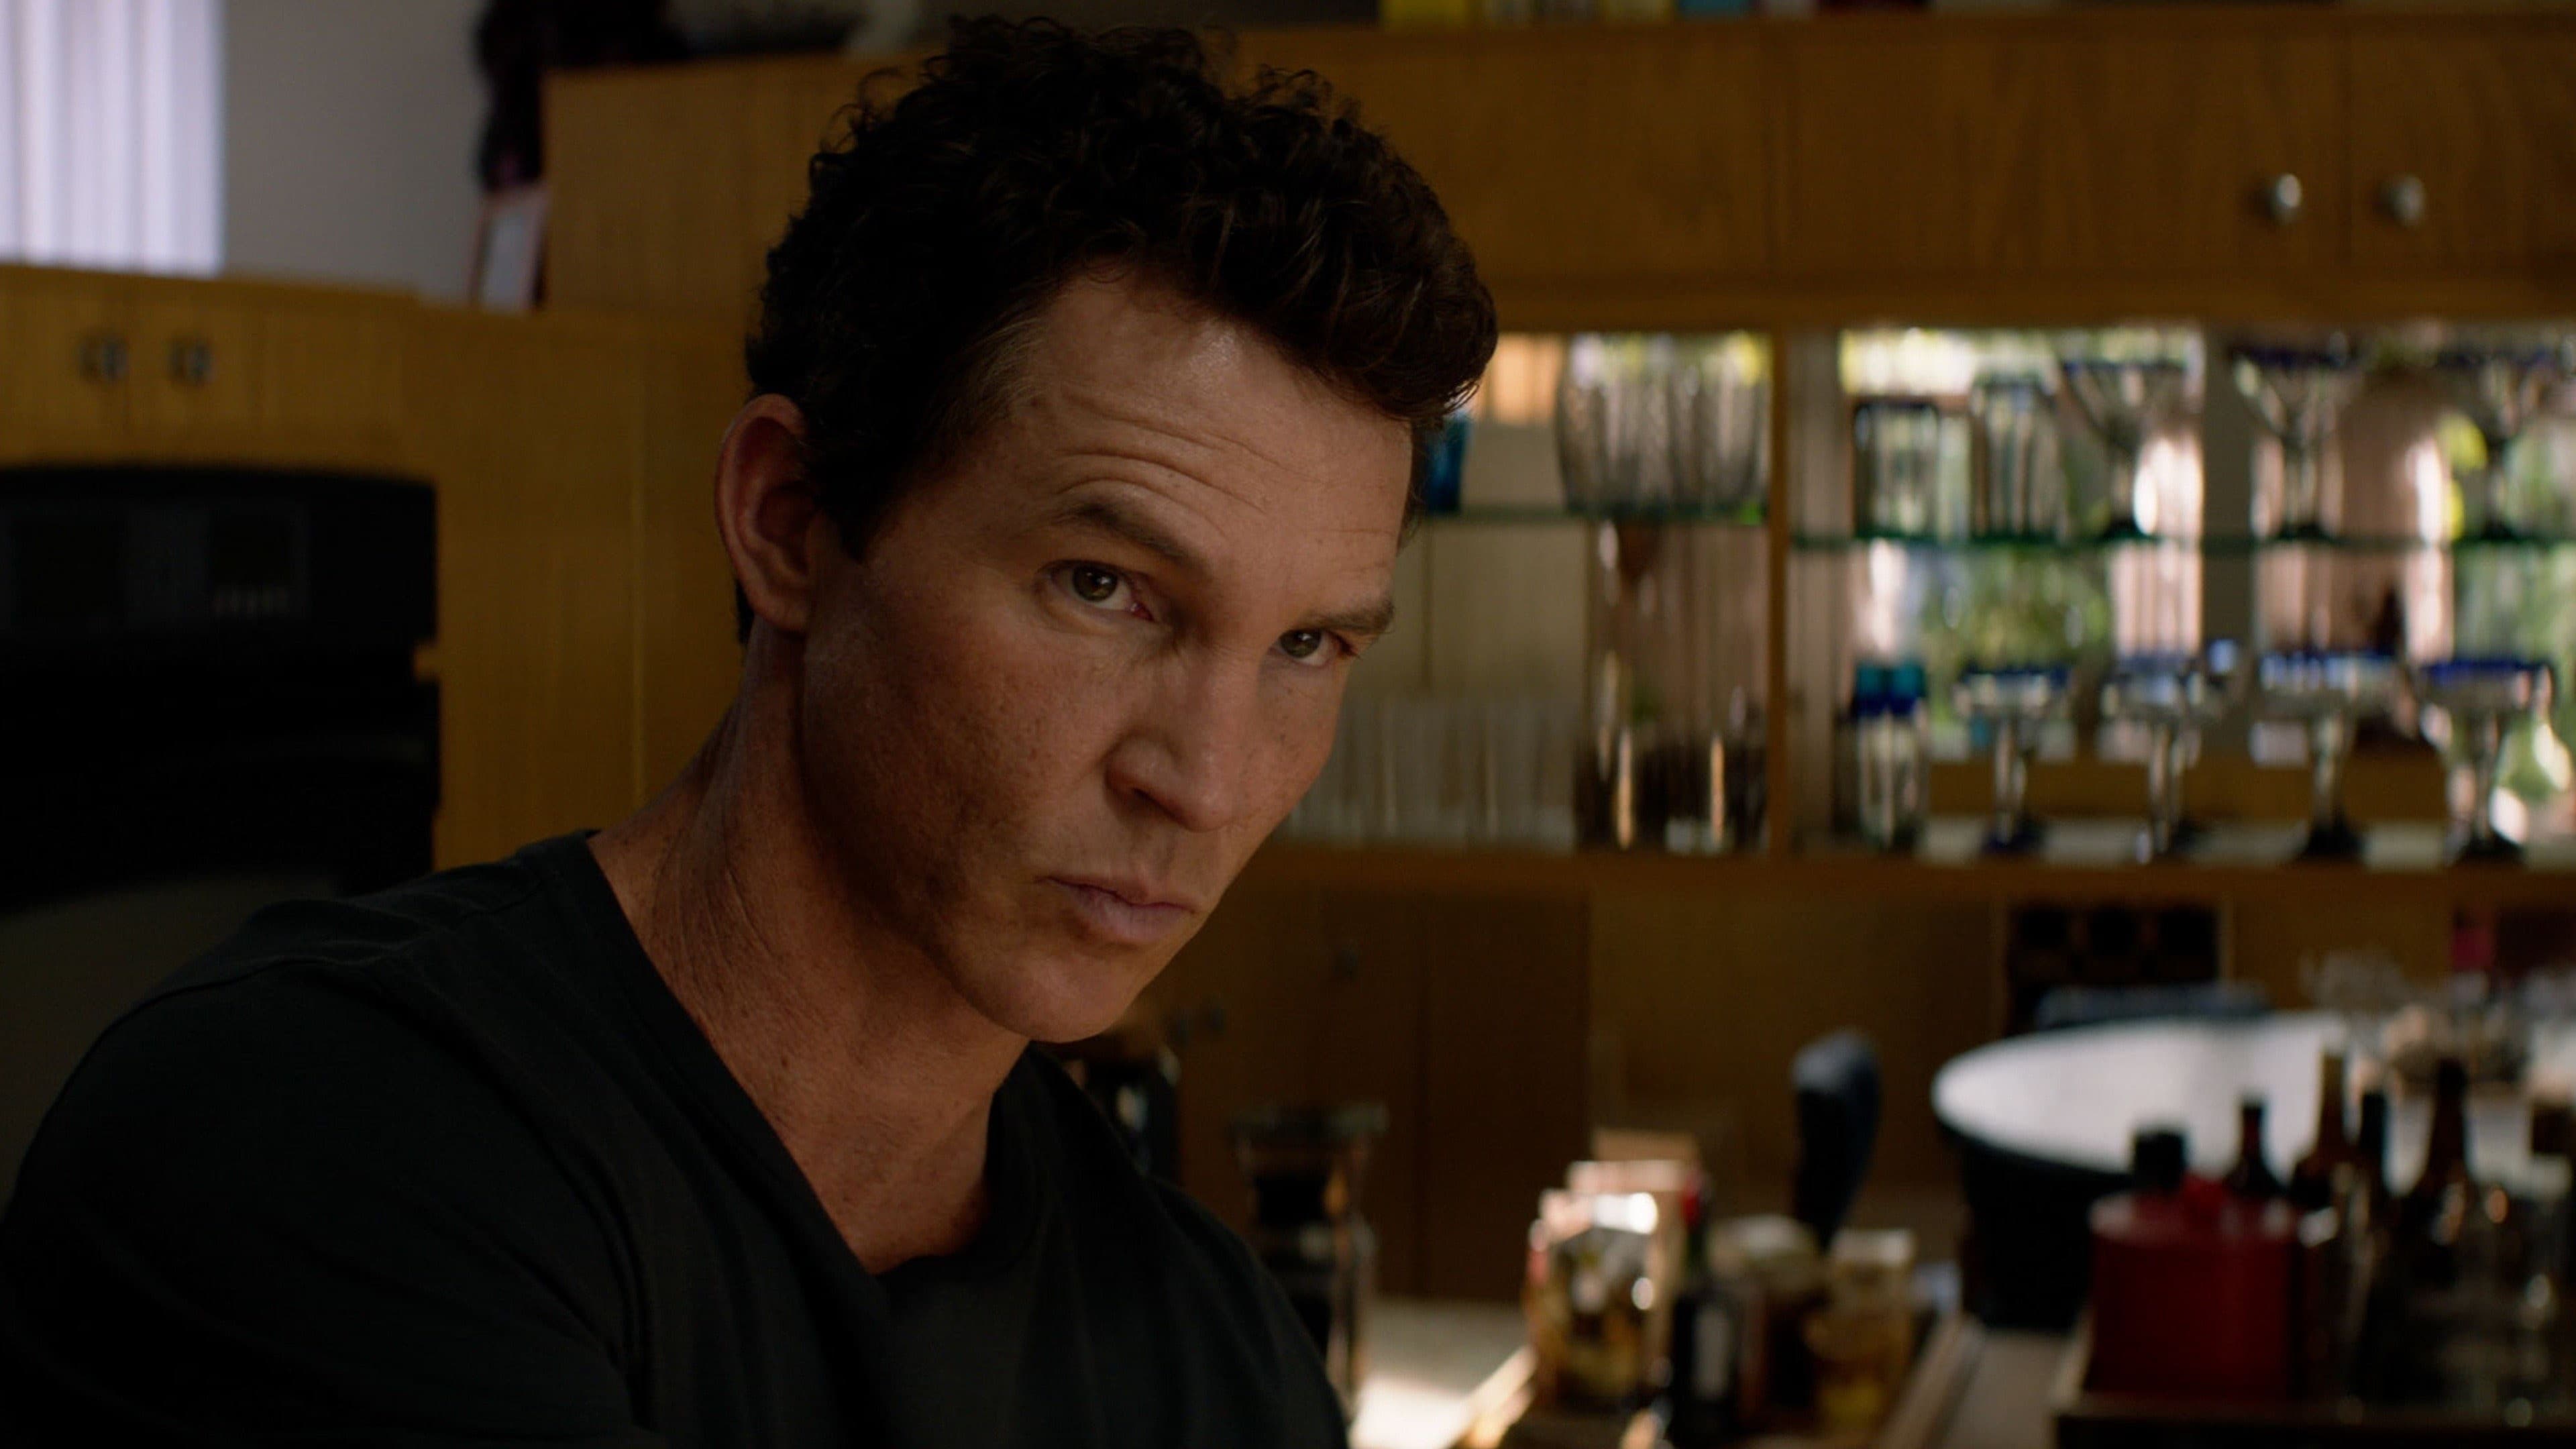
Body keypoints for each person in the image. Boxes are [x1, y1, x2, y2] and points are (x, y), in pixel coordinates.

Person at [0, 19, 1494, 1446]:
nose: (1208, 783)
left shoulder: (1213, 1354)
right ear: (788, 524)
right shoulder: (319, 1138)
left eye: (1306, 646)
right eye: (1104, 588)